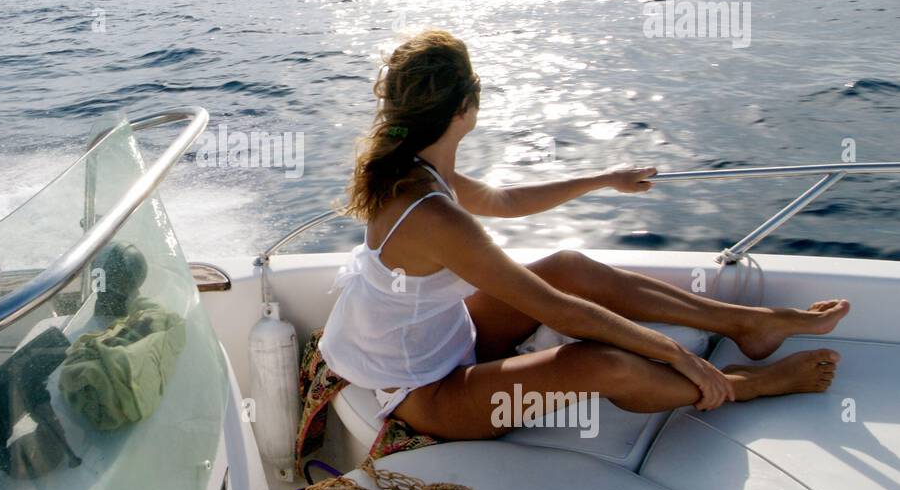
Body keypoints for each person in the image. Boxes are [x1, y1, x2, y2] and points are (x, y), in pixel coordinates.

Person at [318, 29, 848, 440]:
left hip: (447, 340)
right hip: (425, 392)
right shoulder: (431, 212)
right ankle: (741, 384)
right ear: (466, 110)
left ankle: (747, 322)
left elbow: (503, 201)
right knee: (602, 363)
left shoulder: (415, 170)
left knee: (570, 263)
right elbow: (559, 311)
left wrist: (601, 180)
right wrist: (676, 353)